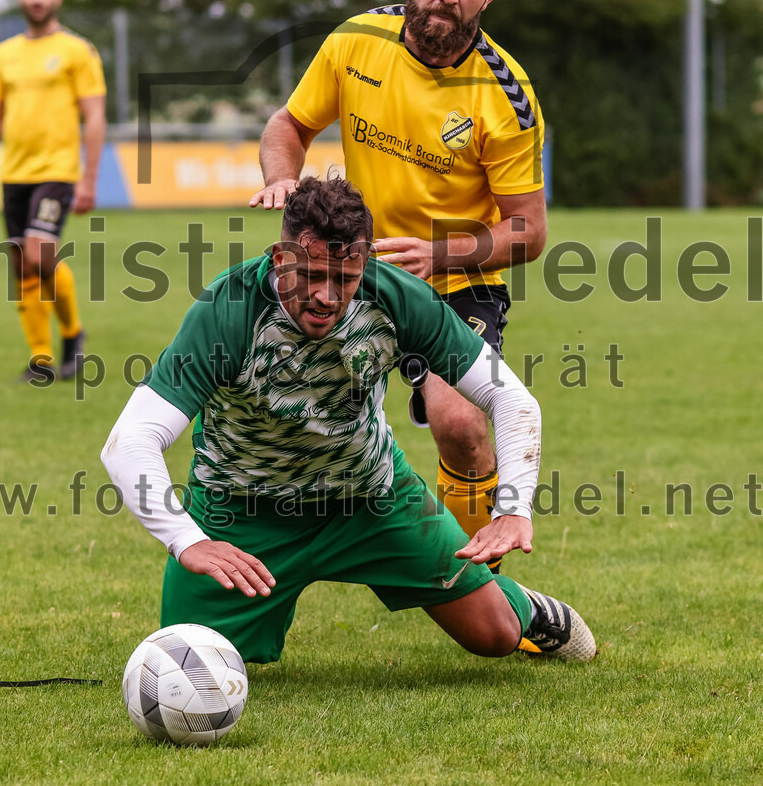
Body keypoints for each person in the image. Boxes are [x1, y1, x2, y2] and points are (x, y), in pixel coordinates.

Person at [102, 176, 594, 665]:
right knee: (189, 661)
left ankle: (520, 604)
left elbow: (512, 399)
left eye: (345, 278)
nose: (327, 296)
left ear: (365, 263)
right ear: (280, 257)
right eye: (312, 274)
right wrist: (189, 541)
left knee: (495, 635)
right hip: (240, 512)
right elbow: (129, 442)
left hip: (370, 497)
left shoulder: (396, 297)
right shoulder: (227, 311)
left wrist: (513, 508)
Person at [250, 0, 546, 571]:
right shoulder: (357, 40)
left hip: (459, 281)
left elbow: (529, 232)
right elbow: (288, 125)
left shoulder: (506, 95)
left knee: (462, 423)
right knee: (278, 402)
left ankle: (483, 587)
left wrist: (438, 253)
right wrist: (282, 177)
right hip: (355, 274)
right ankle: (267, 546)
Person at [0, 0, 106, 383]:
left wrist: (89, 178)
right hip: (14, 174)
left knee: (41, 255)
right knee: (22, 265)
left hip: (56, 171)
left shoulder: (78, 51)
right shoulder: (4, 54)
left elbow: (95, 116)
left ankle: (73, 335)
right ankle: (41, 359)